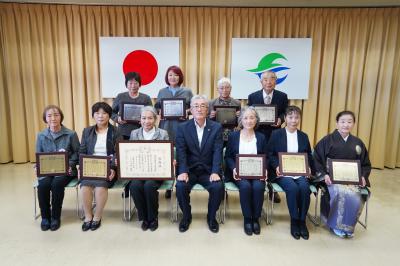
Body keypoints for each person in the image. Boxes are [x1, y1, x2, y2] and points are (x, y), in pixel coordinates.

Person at [314, 110, 371, 238]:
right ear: (337, 124)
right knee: (340, 193)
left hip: (352, 179)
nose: (346, 125)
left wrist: (363, 176)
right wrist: (324, 175)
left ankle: (348, 227)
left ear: (354, 124)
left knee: (355, 196)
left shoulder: (358, 143)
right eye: (343, 122)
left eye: (349, 122)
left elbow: (365, 164)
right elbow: (316, 159)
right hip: (332, 178)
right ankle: (336, 226)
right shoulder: (327, 140)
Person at [175, 95, 224, 233]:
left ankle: (211, 217)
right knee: (180, 186)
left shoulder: (216, 127)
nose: (199, 109)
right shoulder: (182, 127)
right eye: (196, 106)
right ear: (190, 109)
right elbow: (181, 151)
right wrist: (183, 170)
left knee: (217, 187)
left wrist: (215, 171)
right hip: (189, 169)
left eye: (203, 106)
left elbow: (217, 151)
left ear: (207, 109)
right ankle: (186, 216)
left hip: (208, 170)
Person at [267, 106, 315, 240]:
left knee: (305, 188)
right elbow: (270, 154)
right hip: (282, 172)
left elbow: (309, 156)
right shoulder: (276, 134)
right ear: (285, 119)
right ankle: (294, 221)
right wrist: (276, 165)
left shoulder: (303, 136)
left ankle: (302, 221)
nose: (294, 120)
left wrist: (309, 167)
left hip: (300, 171)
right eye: (291, 117)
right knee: (293, 188)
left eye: (297, 117)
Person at [35, 105, 80, 231]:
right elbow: (38, 155)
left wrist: (70, 165)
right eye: (49, 116)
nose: (53, 118)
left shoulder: (71, 134)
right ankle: (45, 217)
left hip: (65, 170)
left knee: (56, 184)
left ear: (61, 117)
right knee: (43, 185)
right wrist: (37, 167)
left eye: (56, 115)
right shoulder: (41, 135)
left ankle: (55, 217)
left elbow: (78, 153)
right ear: (45, 119)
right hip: (47, 170)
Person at [79, 102, 122, 231]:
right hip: (90, 166)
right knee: (85, 186)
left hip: (108, 168)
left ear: (109, 116)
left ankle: (97, 216)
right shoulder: (87, 131)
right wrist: (81, 168)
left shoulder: (116, 131)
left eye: (104, 113)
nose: (101, 116)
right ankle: (88, 216)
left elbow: (118, 153)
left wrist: (113, 169)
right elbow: (82, 151)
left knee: (100, 186)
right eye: (97, 113)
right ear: (93, 115)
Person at [224, 107, 267, 236]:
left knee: (259, 187)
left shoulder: (261, 137)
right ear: (241, 120)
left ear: (256, 120)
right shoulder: (233, 136)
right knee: (245, 186)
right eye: (246, 118)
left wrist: (264, 170)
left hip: (257, 173)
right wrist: (234, 169)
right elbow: (228, 157)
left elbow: (266, 156)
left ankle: (256, 218)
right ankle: (248, 219)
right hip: (239, 173)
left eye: (252, 117)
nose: (249, 121)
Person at [248, 70, 289, 203]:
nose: (269, 82)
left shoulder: (282, 96)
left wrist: (280, 119)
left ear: (276, 81)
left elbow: (285, 112)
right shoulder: (253, 96)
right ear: (261, 82)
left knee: (273, 159)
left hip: (275, 133)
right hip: (258, 133)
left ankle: (272, 189)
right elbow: (250, 113)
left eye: (272, 79)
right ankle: (256, 185)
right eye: (265, 79)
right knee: (259, 157)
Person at [129, 106, 169, 232]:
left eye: (150, 118)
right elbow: (130, 153)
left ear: (155, 119)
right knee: (134, 186)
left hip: (156, 171)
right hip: (139, 171)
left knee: (149, 185)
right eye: (144, 118)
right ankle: (144, 217)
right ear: (140, 120)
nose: (147, 121)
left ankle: (153, 218)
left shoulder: (162, 133)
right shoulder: (134, 133)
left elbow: (166, 154)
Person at [155, 65, 193, 199]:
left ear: (180, 77)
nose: (173, 77)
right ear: (167, 77)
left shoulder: (187, 91)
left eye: (176, 75)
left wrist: (186, 111)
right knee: (167, 154)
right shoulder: (161, 91)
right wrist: (160, 112)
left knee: (181, 153)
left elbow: (193, 107)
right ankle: (168, 182)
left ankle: (180, 182)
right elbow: (157, 109)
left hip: (182, 127)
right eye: (170, 75)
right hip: (165, 127)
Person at [112, 72, 153, 140]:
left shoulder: (146, 98)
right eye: (130, 83)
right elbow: (112, 112)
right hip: (123, 132)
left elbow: (152, 114)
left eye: (136, 83)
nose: (133, 86)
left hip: (141, 132)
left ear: (139, 84)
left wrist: (145, 119)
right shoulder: (120, 96)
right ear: (126, 84)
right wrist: (117, 118)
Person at [209, 77, 241, 145]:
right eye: (221, 88)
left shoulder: (237, 103)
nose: (224, 90)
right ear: (217, 89)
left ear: (231, 88)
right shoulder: (211, 103)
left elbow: (240, 122)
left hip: (232, 133)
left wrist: (240, 116)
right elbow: (206, 120)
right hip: (216, 133)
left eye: (227, 87)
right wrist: (210, 116)